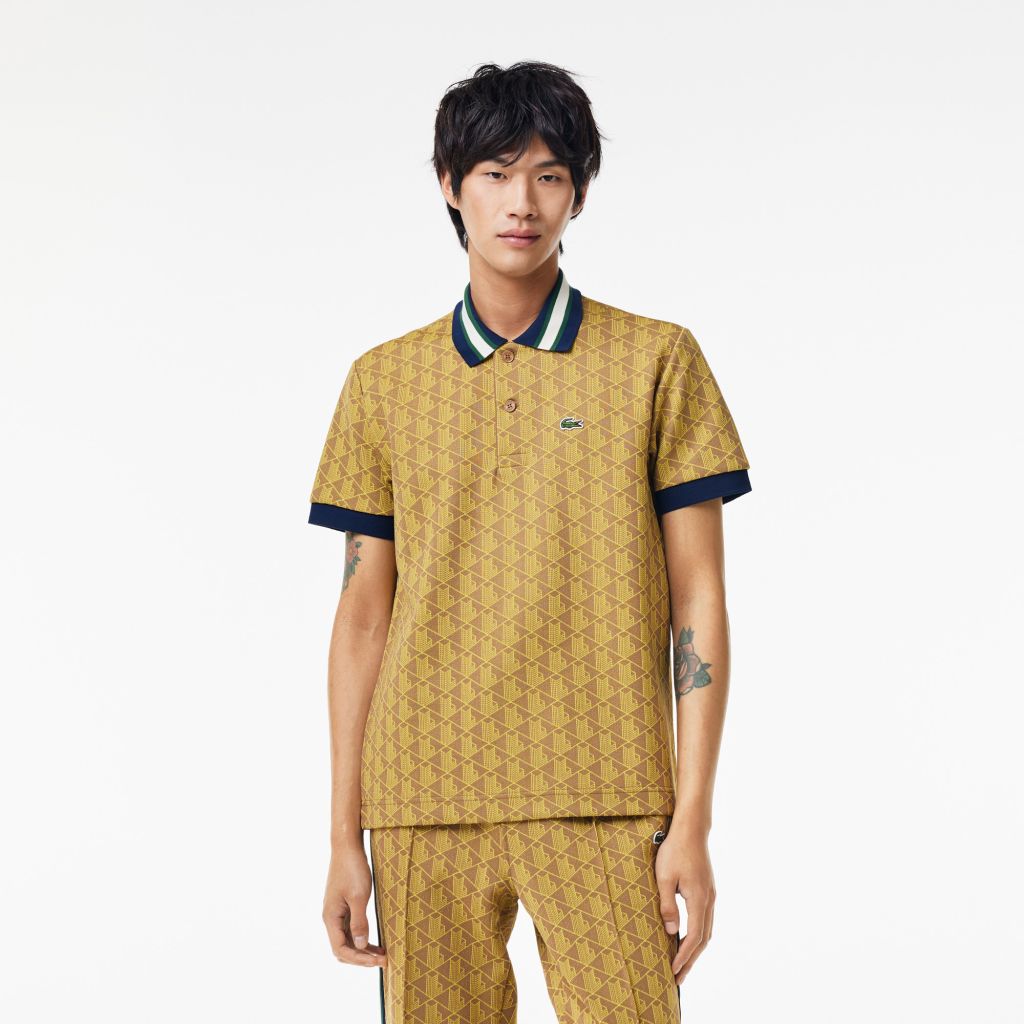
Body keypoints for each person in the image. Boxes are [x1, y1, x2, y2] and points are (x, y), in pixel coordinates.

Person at [307, 60, 752, 1024]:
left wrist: (693, 819)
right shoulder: (383, 383)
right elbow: (361, 619)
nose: (522, 202)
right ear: (450, 186)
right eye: (496, 174)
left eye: (549, 175)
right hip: (424, 799)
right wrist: (345, 832)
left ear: (579, 192)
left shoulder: (657, 360)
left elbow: (700, 598)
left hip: (609, 789)